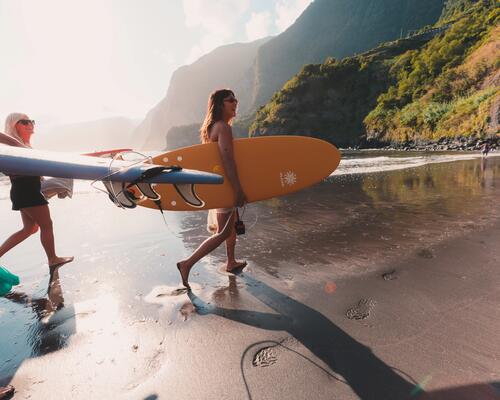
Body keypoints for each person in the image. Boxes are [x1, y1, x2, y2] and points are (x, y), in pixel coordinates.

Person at [176, 89, 247, 289]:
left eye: (236, 98)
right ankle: (187, 264)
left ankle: (231, 262)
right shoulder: (223, 127)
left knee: (229, 227)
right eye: (230, 100)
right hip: (225, 185)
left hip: (218, 184)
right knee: (224, 232)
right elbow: (227, 159)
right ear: (219, 105)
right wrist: (238, 189)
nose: (235, 102)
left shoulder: (211, 128)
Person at [0, 113, 73, 269]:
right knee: (47, 224)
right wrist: (15, 143)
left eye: (31, 121)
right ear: (14, 125)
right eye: (24, 122)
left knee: (30, 229)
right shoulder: (10, 147)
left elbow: (36, 174)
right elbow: (12, 171)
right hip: (26, 190)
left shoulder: (25, 147)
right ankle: (52, 259)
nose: (30, 124)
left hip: (26, 190)